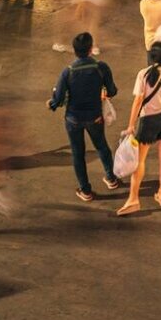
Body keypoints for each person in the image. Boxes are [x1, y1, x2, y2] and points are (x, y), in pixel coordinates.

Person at [48, 31, 121, 203]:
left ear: (74, 51)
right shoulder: (101, 67)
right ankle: (111, 178)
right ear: (90, 49)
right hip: (95, 117)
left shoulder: (68, 72)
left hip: (73, 119)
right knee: (102, 146)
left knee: (78, 153)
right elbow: (112, 91)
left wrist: (50, 103)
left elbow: (57, 99)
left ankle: (85, 190)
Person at [118, 41, 161, 216]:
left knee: (140, 160)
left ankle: (133, 199)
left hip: (148, 120)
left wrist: (131, 125)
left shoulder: (143, 75)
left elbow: (138, 101)